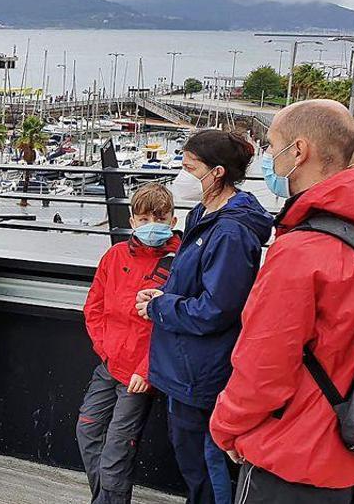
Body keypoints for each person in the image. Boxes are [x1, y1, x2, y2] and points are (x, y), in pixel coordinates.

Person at [211, 100, 354, 502]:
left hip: (293, 457)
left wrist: (227, 427)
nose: (272, 158)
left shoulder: (302, 249)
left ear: (299, 151)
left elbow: (264, 365)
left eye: (274, 147)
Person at [135, 129, 274, 504]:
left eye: (188, 166)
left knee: (207, 464)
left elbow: (218, 309)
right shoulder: (202, 214)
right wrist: (165, 295)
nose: (181, 174)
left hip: (203, 372)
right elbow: (195, 283)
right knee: (191, 459)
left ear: (216, 173)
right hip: (184, 366)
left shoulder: (230, 231)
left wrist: (160, 307)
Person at [78, 183, 180, 504]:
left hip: (140, 376)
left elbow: (174, 327)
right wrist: (106, 350)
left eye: (159, 218)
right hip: (110, 365)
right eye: (144, 217)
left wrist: (146, 370)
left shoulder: (179, 263)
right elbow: (93, 306)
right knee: (87, 430)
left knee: (117, 451)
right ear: (133, 221)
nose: (152, 224)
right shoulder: (114, 256)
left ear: (172, 220)